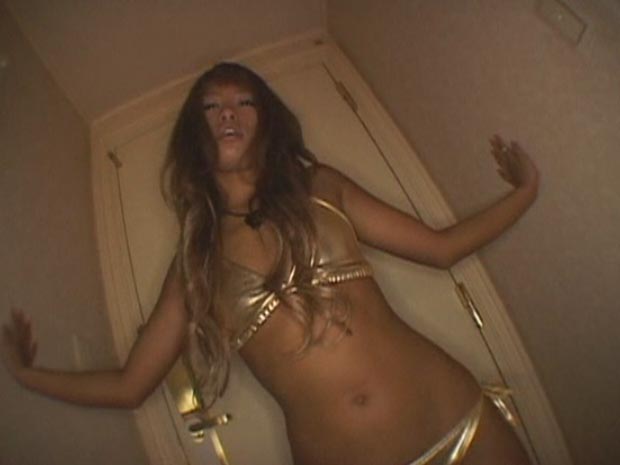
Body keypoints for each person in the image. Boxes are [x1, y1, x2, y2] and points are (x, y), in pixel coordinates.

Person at [2, 62, 538, 465]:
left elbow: (441, 249)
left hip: (457, 420)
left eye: (244, 101)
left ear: (267, 121)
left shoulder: (321, 187)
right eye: (211, 106)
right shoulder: (194, 265)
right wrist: (28, 376)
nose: (228, 113)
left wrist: (524, 192)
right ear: (194, 133)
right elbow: (129, 386)